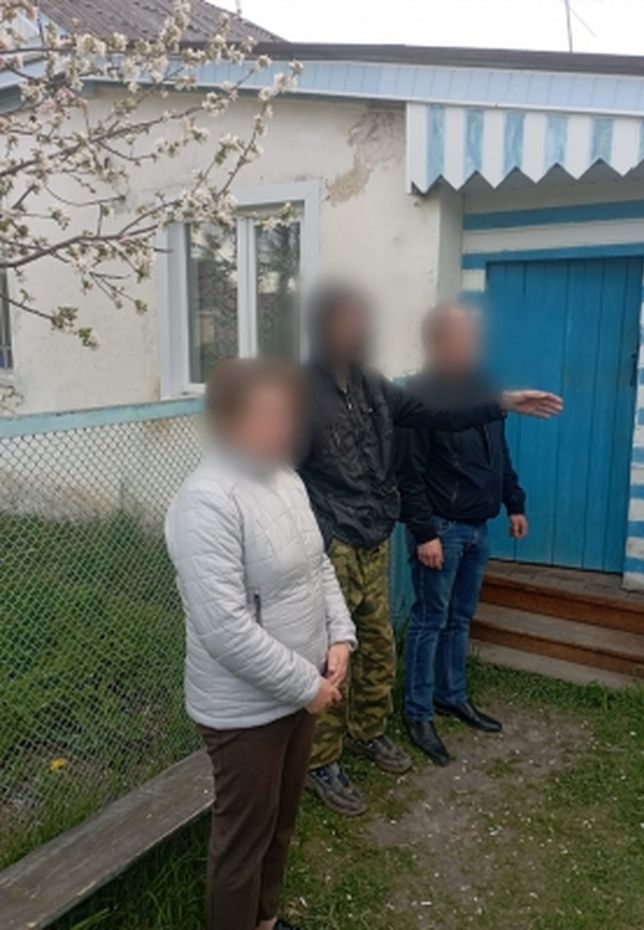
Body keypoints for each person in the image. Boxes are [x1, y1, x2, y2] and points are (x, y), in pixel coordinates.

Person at [299, 285, 562, 814]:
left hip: (372, 536)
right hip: (332, 543)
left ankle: (369, 731)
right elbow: (282, 470)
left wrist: (503, 402)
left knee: (378, 644)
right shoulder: (301, 391)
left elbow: (439, 415)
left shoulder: (374, 385)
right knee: (331, 654)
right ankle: (321, 761)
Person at [165, 358, 357, 930]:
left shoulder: (285, 477)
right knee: (243, 841)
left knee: (280, 823)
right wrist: (306, 686)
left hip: (302, 691)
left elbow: (318, 566)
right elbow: (225, 629)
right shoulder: (205, 502)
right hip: (245, 710)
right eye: (269, 416)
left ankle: (265, 920)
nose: (285, 428)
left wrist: (340, 636)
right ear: (229, 421)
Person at [397, 302, 533, 766]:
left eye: (473, 336)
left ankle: (451, 695)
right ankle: (418, 712)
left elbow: (500, 454)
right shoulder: (418, 397)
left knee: (460, 617)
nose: (472, 344)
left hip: (478, 527)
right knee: (429, 620)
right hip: (441, 529)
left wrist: (514, 501)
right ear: (436, 342)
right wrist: (424, 533)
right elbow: (408, 475)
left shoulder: (485, 390)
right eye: (462, 337)